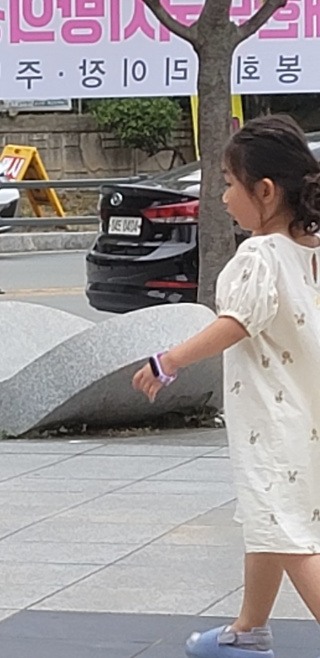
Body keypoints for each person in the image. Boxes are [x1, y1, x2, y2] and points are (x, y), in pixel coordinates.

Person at [132, 115, 320, 658]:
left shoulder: (259, 255)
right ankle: (248, 630)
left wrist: (168, 360)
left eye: (228, 183)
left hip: (271, 423)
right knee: (272, 518)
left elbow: (236, 321)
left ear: (265, 191)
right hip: (305, 416)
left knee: (288, 533)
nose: (221, 196)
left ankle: (250, 631)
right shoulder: (309, 250)